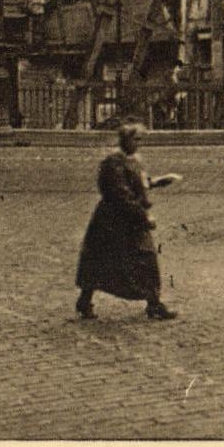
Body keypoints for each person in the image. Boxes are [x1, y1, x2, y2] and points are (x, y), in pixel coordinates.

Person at [75, 121, 177, 321]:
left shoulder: (134, 159)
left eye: (140, 139)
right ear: (125, 139)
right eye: (135, 139)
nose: (138, 144)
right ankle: (84, 301)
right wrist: (144, 215)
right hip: (114, 220)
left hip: (128, 219)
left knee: (145, 259)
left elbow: (139, 183)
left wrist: (159, 181)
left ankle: (153, 303)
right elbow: (121, 194)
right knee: (102, 261)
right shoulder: (113, 162)